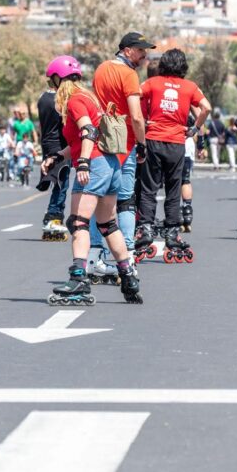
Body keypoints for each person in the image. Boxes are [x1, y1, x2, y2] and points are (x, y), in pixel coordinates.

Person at [42, 62, 142, 305]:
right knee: (108, 224)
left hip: (95, 166)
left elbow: (88, 132)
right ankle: (128, 277)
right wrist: (58, 157)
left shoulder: (75, 101)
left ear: (57, 79)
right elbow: (79, 140)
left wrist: (84, 163)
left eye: (50, 81)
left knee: (78, 223)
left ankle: (78, 278)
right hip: (111, 164)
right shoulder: (89, 98)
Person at [136, 49, 211, 259]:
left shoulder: (153, 83)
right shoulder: (190, 87)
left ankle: (146, 229)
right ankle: (172, 233)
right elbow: (206, 108)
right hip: (177, 143)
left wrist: (141, 121)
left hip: (153, 139)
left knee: (148, 188)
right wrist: (195, 128)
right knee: (173, 188)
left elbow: (134, 96)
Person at [89, 32, 153, 263]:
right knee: (125, 199)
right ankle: (125, 254)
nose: (144, 55)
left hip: (102, 139)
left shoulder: (101, 69)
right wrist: (142, 144)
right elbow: (136, 116)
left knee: (98, 198)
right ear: (127, 50)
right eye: (140, 51)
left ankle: (96, 253)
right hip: (123, 142)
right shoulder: (129, 74)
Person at [38, 56, 78, 240]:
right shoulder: (59, 101)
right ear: (58, 79)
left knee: (58, 183)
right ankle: (54, 217)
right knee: (62, 184)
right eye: (70, 79)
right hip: (59, 146)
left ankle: (52, 216)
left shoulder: (43, 98)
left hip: (48, 143)